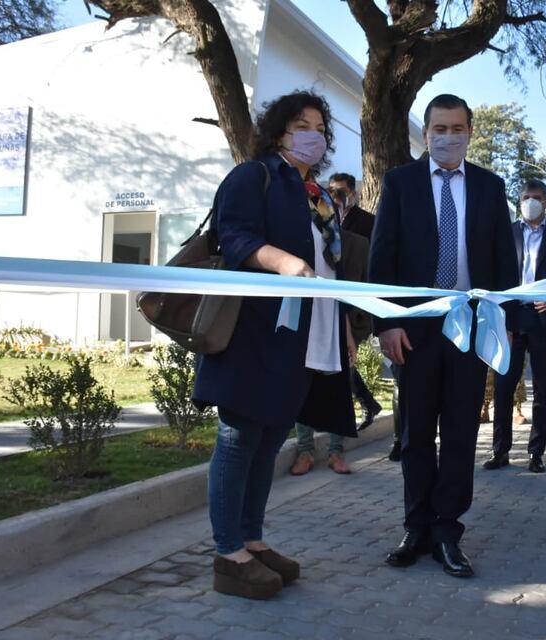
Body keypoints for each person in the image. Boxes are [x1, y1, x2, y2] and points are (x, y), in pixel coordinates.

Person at [192, 90, 357, 599]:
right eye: (301, 125)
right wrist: (282, 262)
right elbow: (233, 235)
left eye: (320, 127)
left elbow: (330, 268)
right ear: (279, 131)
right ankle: (228, 554)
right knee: (239, 438)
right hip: (253, 332)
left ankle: (252, 540)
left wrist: (344, 326)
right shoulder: (255, 176)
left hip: (303, 339)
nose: (314, 135)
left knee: (268, 442)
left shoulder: (320, 196)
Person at [369, 94, 518, 578]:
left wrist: (503, 325)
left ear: (470, 132)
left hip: (469, 327)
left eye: (456, 128)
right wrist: (385, 322)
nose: (447, 136)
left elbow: (502, 263)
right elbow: (382, 258)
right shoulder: (399, 183)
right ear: (425, 132)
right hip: (413, 329)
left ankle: (448, 531)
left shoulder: (491, 187)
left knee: (459, 431)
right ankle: (416, 526)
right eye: (438, 128)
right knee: (414, 434)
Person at [484, 179, 546, 473]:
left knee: (544, 388)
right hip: (512, 317)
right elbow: (496, 276)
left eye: (536, 197)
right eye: (525, 197)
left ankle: (537, 453)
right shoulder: (506, 234)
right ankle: (500, 451)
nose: (530, 202)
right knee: (503, 385)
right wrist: (503, 320)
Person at [291, 229, 376, 476]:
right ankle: (305, 450)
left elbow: (339, 294)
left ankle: (336, 452)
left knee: (338, 386)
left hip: (335, 324)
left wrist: (348, 335)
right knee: (303, 388)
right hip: (305, 322)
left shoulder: (345, 243)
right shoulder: (299, 239)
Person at [328, 174, 384, 432]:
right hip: (328, 301)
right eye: (331, 191)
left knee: (342, 360)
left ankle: (356, 410)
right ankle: (367, 402)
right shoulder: (322, 217)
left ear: (353, 193)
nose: (336, 197)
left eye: (340, 191)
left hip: (355, 307)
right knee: (337, 361)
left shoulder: (368, 223)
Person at [329, 172, 376, 239]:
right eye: (332, 191)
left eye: (342, 191)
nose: (336, 195)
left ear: (353, 194)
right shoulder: (324, 219)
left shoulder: (369, 221)